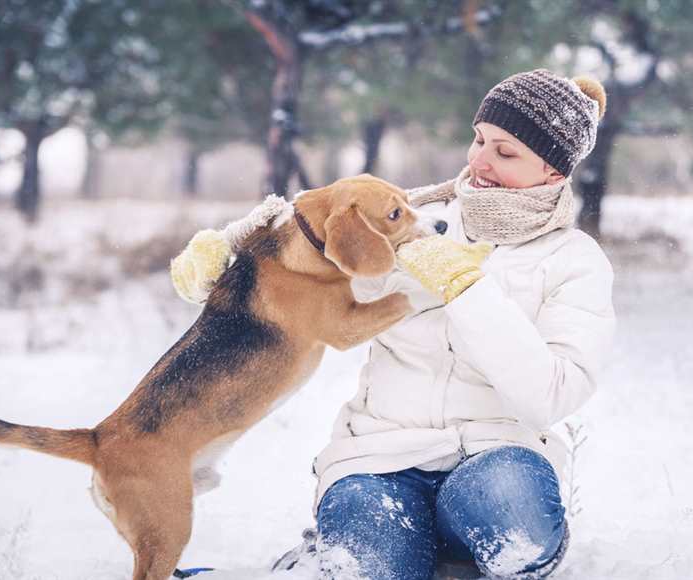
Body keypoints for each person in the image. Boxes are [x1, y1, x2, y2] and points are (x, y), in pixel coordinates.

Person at [171, 69, 615, 580]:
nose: (479, 161)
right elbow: (311, 264)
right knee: (372, 565)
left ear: (555, 172)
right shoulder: (409, 217)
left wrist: (466, 288)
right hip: (379, 457)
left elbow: (549, 395)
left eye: (505, 152)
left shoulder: (574, 260)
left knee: (517, 526)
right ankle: (362, 555)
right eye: (479, 140)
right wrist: (225, 262)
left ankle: (462, 554)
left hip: (498, 456)